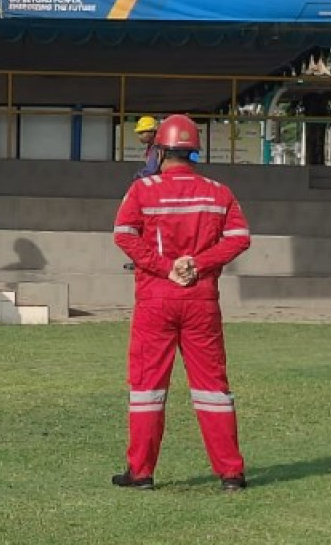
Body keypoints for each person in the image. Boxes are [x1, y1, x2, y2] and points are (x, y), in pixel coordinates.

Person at [111, 114, 252, 493]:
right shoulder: (219, 192)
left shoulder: (142, 190)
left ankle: (140, 473)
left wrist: (164, 267)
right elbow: (239, 238)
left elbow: (123, 234)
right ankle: (231, 474)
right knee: (213, 389)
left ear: (159, 149)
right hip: (201, 298)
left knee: (146, 389)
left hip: (156, 298)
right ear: (194, 152)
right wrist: (198, 264)